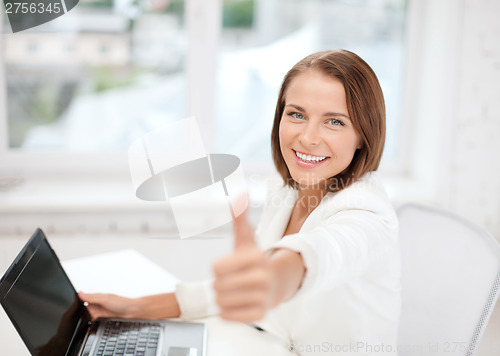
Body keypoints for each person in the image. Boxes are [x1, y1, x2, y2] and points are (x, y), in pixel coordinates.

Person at [80, 50, 401, 355]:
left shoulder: (368, 213)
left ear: (363, 135)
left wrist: (274, 279)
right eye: (297, 114)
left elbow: (324, 253)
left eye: (335, 122)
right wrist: (138, 308)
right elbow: (240, 288)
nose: (307, 137)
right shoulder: (288, 187)